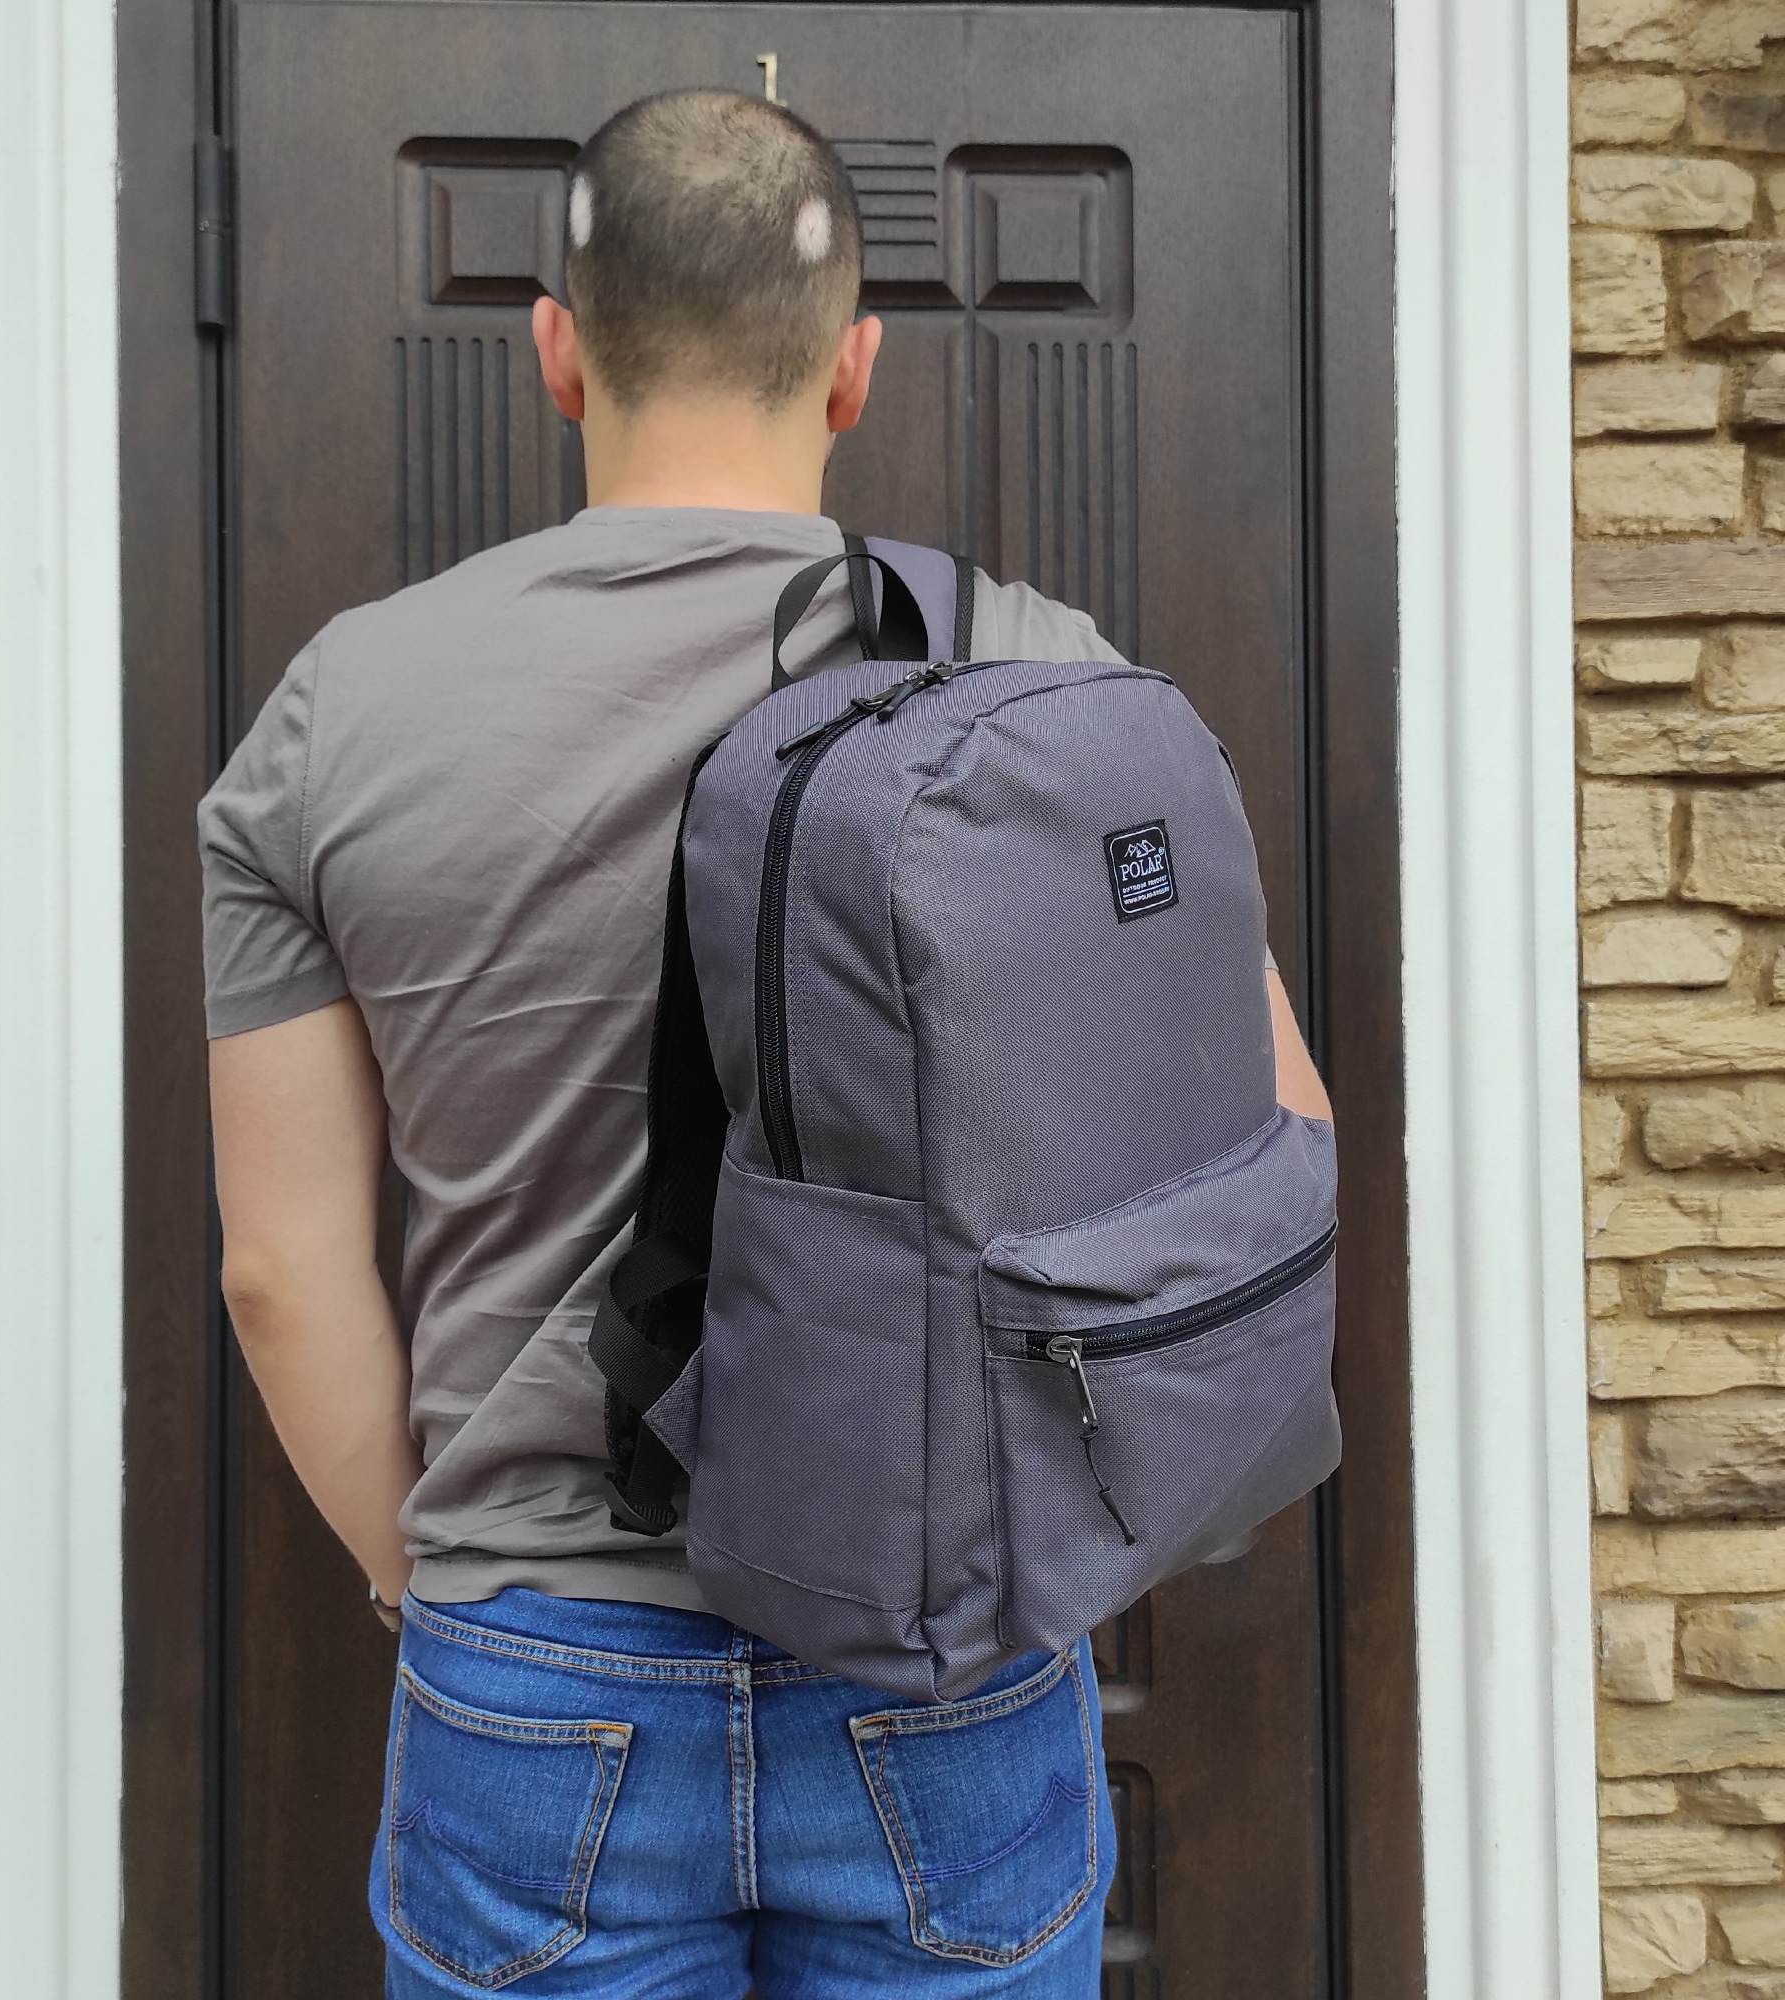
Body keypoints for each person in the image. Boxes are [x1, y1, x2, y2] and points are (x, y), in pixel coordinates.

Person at [199, 86, 1332, 1999]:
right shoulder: (1038, 673)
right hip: (944, 1649)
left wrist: (437, 1581)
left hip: (534, 1653)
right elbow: (1275, 1136)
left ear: (558, 351)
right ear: (855, 368)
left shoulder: (336, 713)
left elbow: (278, 1273)